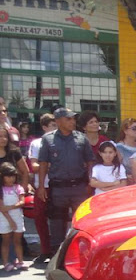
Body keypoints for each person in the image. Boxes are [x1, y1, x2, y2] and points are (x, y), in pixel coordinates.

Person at [37, 107, 95, 251]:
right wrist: (41, 186)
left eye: (73, 119)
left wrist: (89, 182)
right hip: (58, 189)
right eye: (68, 119)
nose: (72, 121)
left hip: (79, 187)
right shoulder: (48, 139)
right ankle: (57, 254)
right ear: (58, 121)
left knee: (81, 222)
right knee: (57, 223)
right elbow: (43, 163)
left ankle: (81, 252)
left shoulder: (81, 138)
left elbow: (90, 161)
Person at [28, 113, 56, 264]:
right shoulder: (36, 143)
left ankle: (58, 250)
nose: (55, 128)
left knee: (59, 219)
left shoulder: (62, 142)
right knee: (40, 218)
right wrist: (49, 166)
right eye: (52, 125)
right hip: (42, 186)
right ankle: (45, 250)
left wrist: (44, 165)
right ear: (44, 127)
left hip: (58, 186)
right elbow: (34, 166)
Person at [0, 162, 27, 271]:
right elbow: (2, 208)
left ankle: (20, 261)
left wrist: (10, 207)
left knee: (17, 241)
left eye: (13, 176)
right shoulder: (1, 189)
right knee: (6, 241)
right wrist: (10, 221)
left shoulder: (18, 188)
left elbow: (22, 202)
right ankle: (6, 263)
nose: (11, 179)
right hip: (4, 218)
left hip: (17, 217)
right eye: (8, 176)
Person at [0, 126, 29, 193]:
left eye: (5, 136)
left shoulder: (14, 152)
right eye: (0, 136)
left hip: (12, 192)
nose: (3, 139)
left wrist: (22, 191)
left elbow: (25, 172)